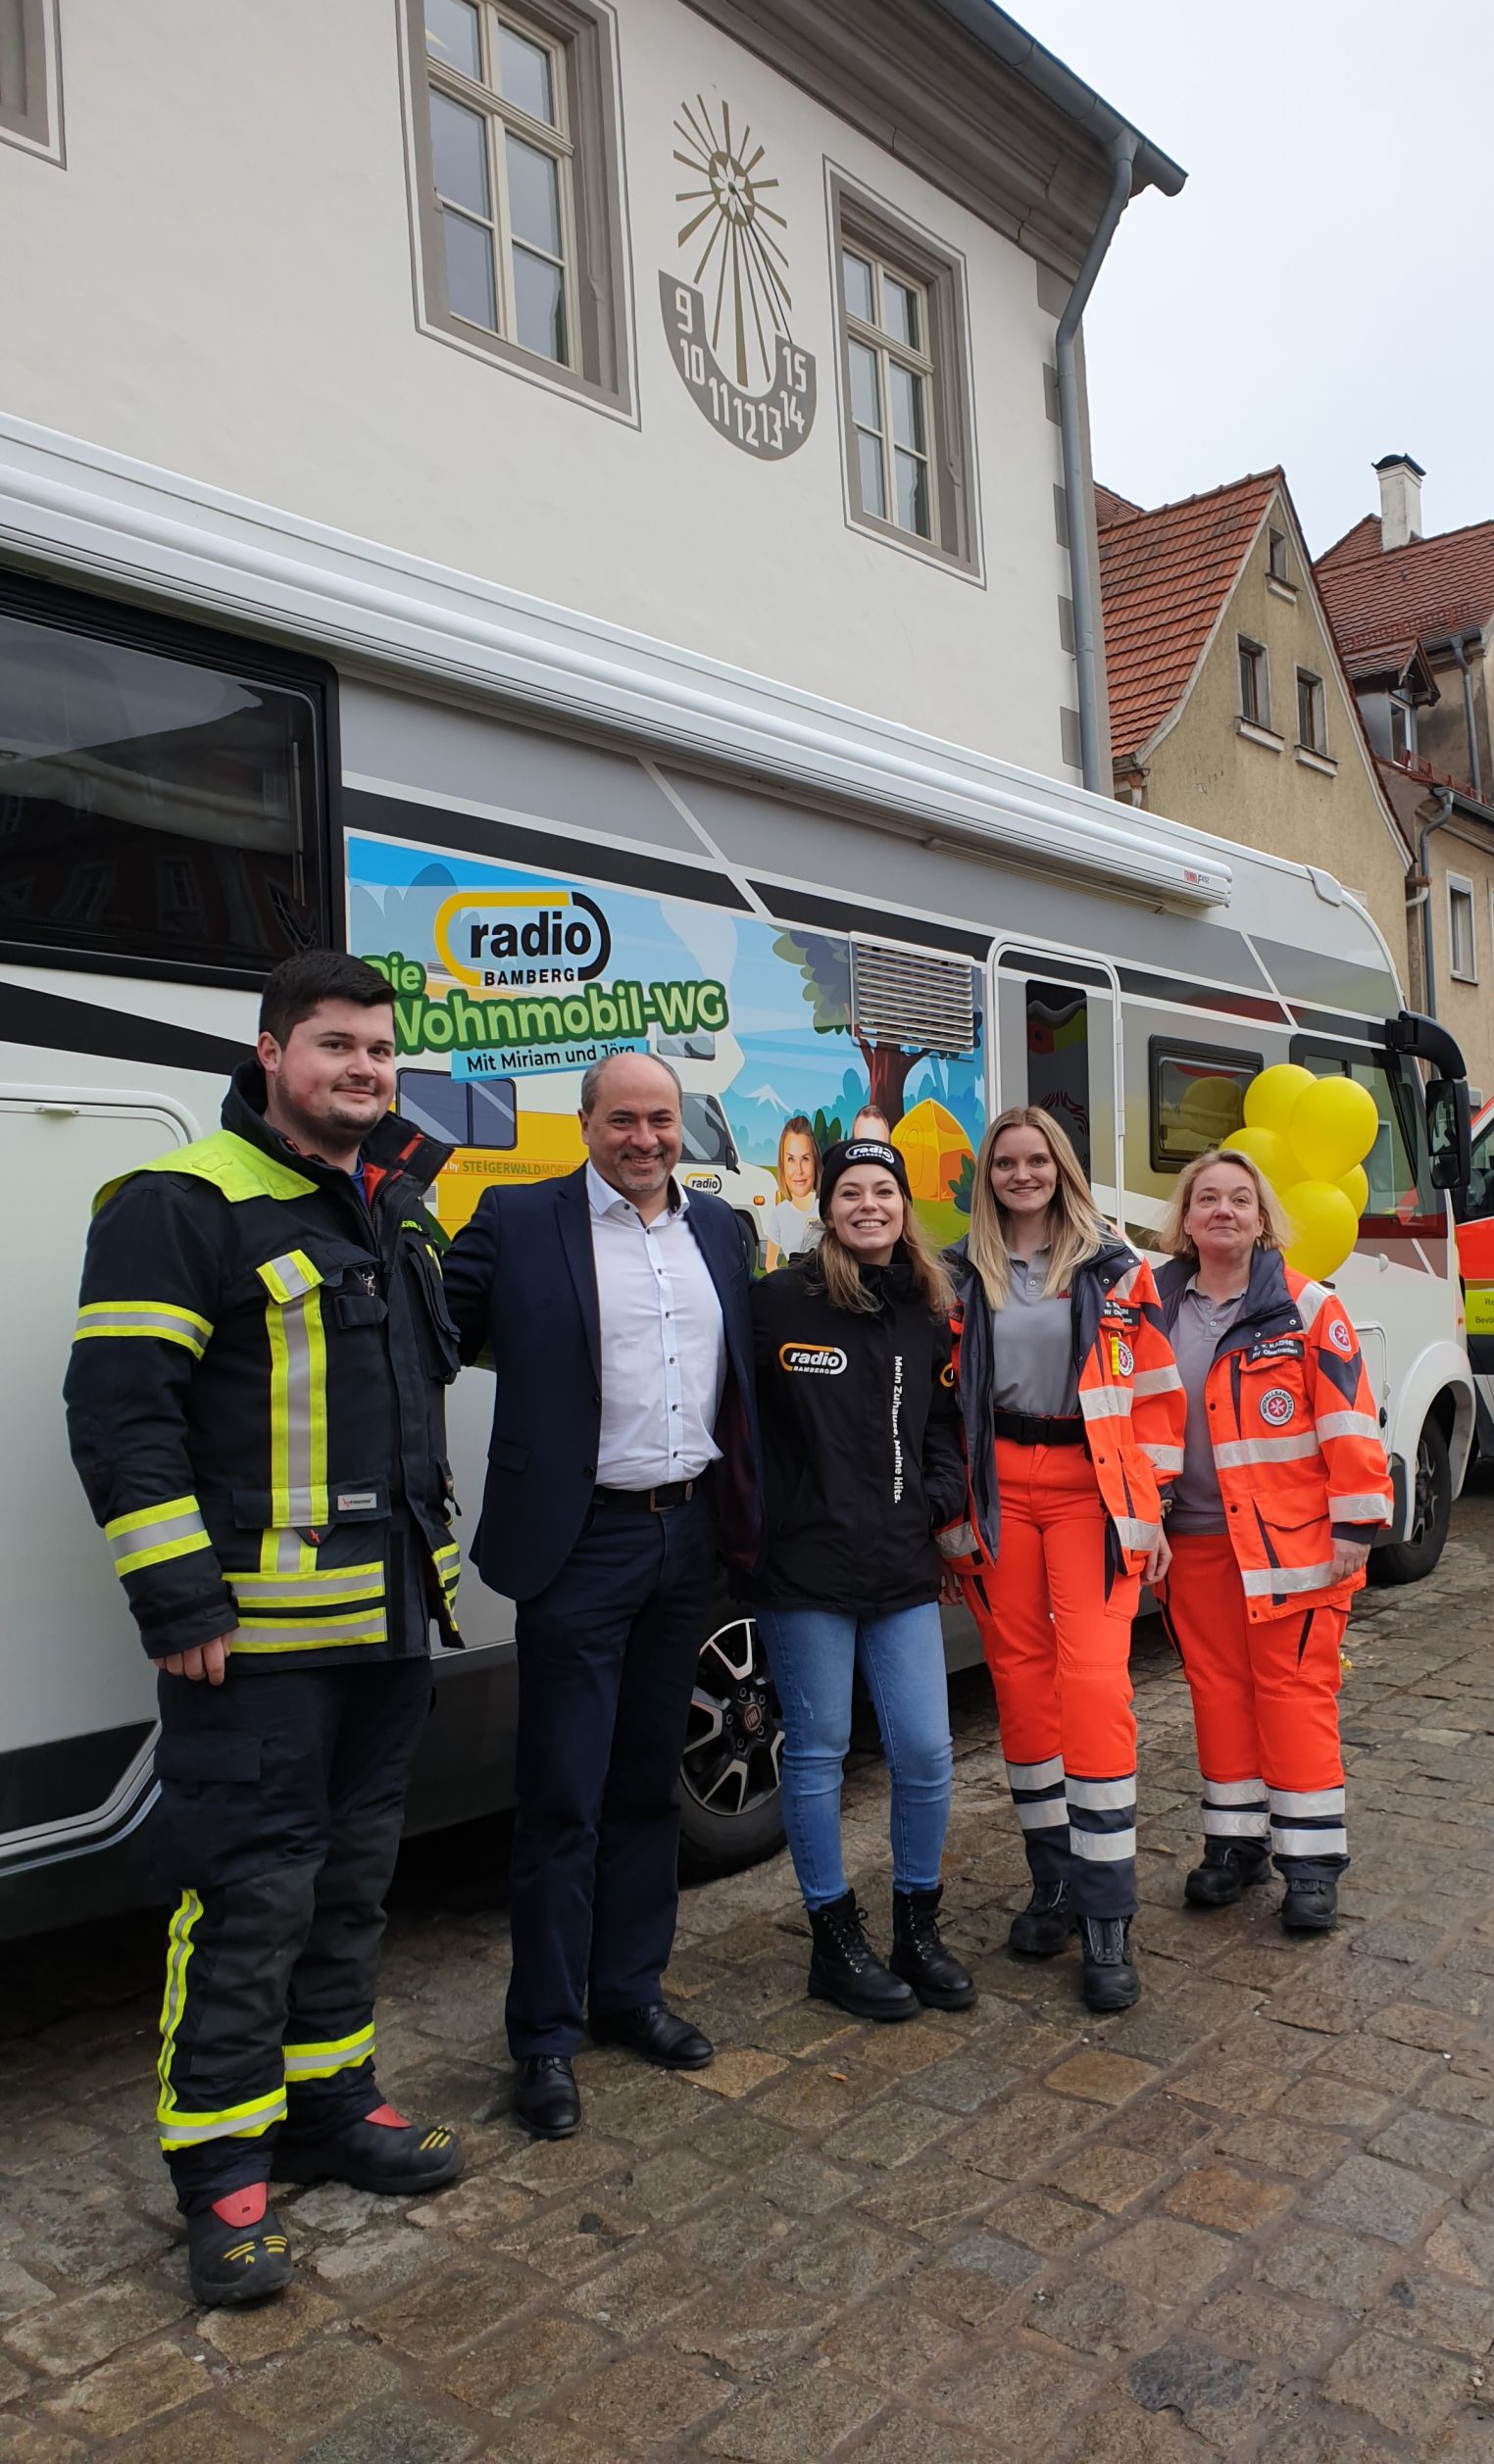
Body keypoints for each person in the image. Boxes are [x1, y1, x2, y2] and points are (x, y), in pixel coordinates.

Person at [64, 952, 466, 2309]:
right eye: (337, 1045)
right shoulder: (182, 1204)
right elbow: (121, 1414)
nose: (365, 1068)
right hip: (254, 1643)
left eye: (380, 1050)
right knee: (248, 1895)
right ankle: (221, 2175)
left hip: (392, 1621)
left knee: (352, 1884)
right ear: (271, 1052)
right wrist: (176, 1599)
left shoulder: (391, 1206)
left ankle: (331, 2107)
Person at [443, 1049, 760, 2141]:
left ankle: (631, 1993)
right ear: (584, 1123)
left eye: (661, 1119)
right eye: (622, 1119)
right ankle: (543, 2036)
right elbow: (430, 1333)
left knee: (643, 1790)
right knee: (561, 1798)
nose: (644, 1138)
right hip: (580, 1547)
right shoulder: (516, 1221)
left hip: (688, 1544)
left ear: (685, 1127)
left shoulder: (721, 1230)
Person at [941, 1108, 1183, 2012]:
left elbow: (1157, 1396)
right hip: (1000, 1488)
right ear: (988, 1176)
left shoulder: (1118, 1270)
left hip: (1090, 1489)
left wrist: (1153, 1501)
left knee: (1094, 1683)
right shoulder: (961, 1272)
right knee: (1019, 1682)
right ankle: (1054, 1880)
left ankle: (1108, 1911)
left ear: (1062, 1167)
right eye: (1005, 1161)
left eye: (1037, 1159)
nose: (1021, 1173)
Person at [750, 1138, 972, 2021]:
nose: (868, 1205)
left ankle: (917, 1927)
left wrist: (938, 1496)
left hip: (901, 1559)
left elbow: (944, 1423)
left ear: (903, 1204)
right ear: (827, 1208)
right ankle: (835, 1942)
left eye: (884, 1190)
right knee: (818, 1750)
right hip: (804, 1564)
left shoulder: (927, 1306)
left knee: (924, 1748)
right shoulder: (777, 1302)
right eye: (851, 1192)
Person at [1148, 1149, 1391, 1934]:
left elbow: (1351, 1415)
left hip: (1295, 1546)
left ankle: (1312, 1866)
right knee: (1217, 1695)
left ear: (1263, 1219)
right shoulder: (1149, 1306)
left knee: (1293, 1695)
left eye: (1240, 1200)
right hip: (1191, 1543)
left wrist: (1357, 1521)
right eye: (1207, 1198)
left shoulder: (1308, 1307)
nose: (1223, 1211)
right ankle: (1234, 1846)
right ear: (1184, 1218)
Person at [762, 1114, 822, 1271]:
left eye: (805, 1159)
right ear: (782, 1163)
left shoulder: (827, 1209)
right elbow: (770, 1264)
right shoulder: (779, 1213)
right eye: (791, 1160)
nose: (799, 1170)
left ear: (815, 1161)